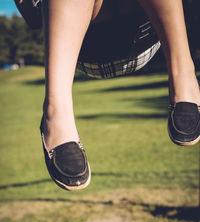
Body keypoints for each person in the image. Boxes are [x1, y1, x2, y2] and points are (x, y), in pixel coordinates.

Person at [14, 0, 200, 191]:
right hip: (81, 38)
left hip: (147, 31)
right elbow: (32, 16)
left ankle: (183, 72)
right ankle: (56, 111)